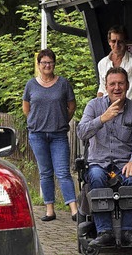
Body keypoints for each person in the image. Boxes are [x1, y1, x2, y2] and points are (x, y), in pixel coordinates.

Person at [77, 67, 132, 248]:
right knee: (95, 177)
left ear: (127, 85)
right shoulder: (94, 106)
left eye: (120, 83)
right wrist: (102, 118)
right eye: (112, 84)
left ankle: (129, 231)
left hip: (125, 162)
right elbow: (81, 132)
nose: (116, 87)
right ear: (106, 86)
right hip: (99, 163)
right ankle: (104, 231)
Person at [22, 49, 78, 222]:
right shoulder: (31, 85)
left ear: (54, 64)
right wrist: (36, 121)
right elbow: (26, 108)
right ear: (38, 65)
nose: (47, 65)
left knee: (62, 172)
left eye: (50, 62)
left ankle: (74, 210)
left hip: (58, 135)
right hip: (37, 135)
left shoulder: (63, 84)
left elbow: (71, 106)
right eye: (43, 62)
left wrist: (60, 120)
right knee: (45, 172)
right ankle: (49, 210)